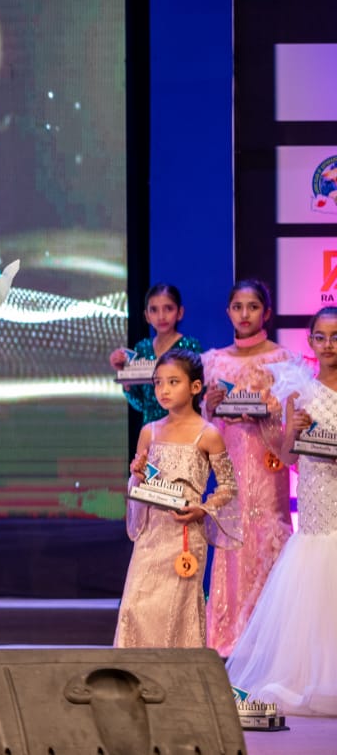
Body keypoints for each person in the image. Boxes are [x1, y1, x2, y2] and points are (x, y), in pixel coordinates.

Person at [224, 307, 337, 716]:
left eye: (336, 337)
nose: (328, 345)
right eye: (321, 337)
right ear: (310, 341)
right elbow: (288, 457)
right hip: (317, 497)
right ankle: (313, 678)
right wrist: (296, 430)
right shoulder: (298, 391)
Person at [114, 349, 238, 648]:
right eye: (158, 382)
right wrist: (137, 476)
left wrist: (202, 510)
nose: (163, 390)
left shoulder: (208, 434)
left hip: (185, 537)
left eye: (173, 382)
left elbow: (228, 487)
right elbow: (143, 484)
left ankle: (176, 674)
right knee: (136, 608)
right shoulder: (149, 432)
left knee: (174, 613)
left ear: (195, 387)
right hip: (151, 537)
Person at [200, 280, 297, 656]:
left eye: (253, 307)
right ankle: (230, 636)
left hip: (268, 465)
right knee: (234, 540)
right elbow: (206, 427)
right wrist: (211, 407)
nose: (245, 314)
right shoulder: (214, 361)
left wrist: (268, 412)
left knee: (267, 536)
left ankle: (271, 640)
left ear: (266, 313)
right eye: (238, 307)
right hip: (231, 465)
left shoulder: (282, 360)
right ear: (228, 312)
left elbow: (293, 424)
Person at [108, 283, 203, 423]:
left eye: (168, 308)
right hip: (151, 429)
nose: (161, 316)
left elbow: (199, 396)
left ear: (180, 312)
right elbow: (139, 404)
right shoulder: (142, 349)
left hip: (184, 427)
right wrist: (125, 378)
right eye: (154, 310)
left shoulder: (190, 347)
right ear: (147, 316)